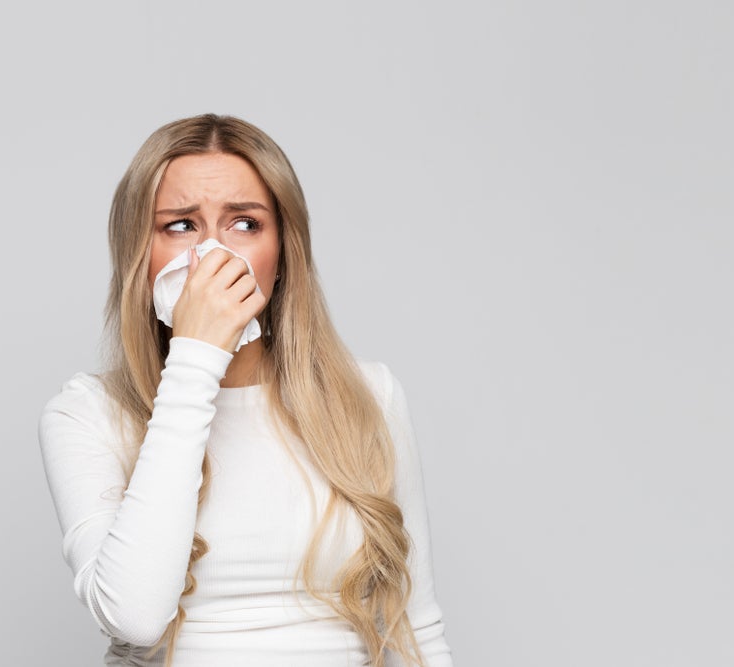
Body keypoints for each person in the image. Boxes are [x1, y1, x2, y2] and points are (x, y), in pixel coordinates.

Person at [38, 114, 453, 667]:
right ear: (140, 253)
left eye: (245, 224)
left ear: (282, 254)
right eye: (181, 225)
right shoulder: (87, 414)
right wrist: (195, 358)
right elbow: (134, 615)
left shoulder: (370, 396)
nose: (214, 256)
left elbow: (414, 628)